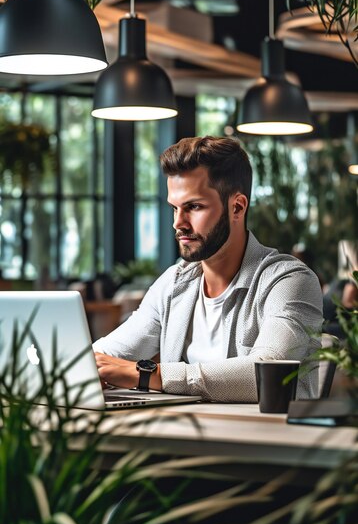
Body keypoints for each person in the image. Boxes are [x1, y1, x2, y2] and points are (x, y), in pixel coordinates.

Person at [93, 136, 323, 402]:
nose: (178, 223)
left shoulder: (289, 280)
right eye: (174, 208)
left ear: (237, 207)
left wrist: (149, 375)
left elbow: (267, 371)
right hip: (183, 438)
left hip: (268, 439)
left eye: (194, 207)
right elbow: (106, 355)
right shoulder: (172, 284)